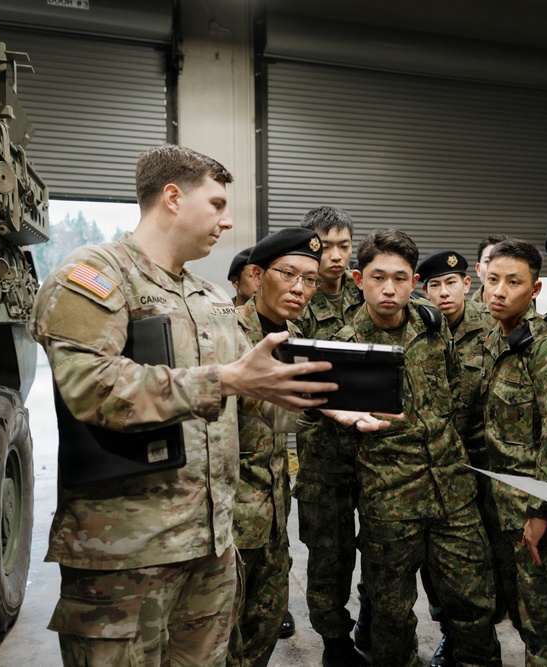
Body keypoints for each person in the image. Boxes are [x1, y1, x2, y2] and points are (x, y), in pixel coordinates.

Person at [29, 144, 337, 666]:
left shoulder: (210, 299)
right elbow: (90, 386)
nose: (227, 220)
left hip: (212, 549)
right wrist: (224, 378)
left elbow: (255, 401)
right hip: (126, 553)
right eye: (216, 204)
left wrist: (328, 407)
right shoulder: (96, 276)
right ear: (173, 197)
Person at [335, 229, 501, 667]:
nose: (389, 289)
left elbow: (449, 394)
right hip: (391, 503)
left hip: (453, 493)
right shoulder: (347, 346)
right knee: (391, 615)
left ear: (414, 282)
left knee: (474, 603)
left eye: (400, 278)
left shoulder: (432, 325)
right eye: (378, 277)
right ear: (359, 279)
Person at [480, 239, 547, 666]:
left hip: (540, 519)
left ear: (536, 290)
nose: (499, 292)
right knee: (526, 622)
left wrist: (541, 513)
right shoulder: (496, 341)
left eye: (513, 282)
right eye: (492, 281)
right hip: (505, 511)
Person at [226, 227, 324, 667]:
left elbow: (285, 419)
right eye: (289, 274)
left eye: (310, 279)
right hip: (227, 518)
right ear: (257, 274)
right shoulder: (224, 330)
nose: (299, 288)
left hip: (273, 511)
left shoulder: (297, 338)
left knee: (263, 628)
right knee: (220, 637)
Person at [414, 249, 502, 666]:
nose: (444, 293)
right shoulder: (417, 329)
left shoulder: (492, 328)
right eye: (434, 285)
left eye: (451, 283)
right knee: (439, 566)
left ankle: (483, 636)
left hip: (486, 466)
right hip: (438, 471)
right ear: (424, 289)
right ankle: (449, 631)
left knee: (485, 563)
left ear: (468, 284)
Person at [292, 205, 372, 666]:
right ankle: (335, 643)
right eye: (327, 246)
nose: (337, 256)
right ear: (310, 246)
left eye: (345, 246)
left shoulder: (369, 294)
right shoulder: (297, 301)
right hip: (324, 457)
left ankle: (369, 622)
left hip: (376, 453)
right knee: (329, 556)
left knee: (380, 551)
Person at [471, 234, 511, 303]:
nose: (494, 269)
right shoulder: (463, 311)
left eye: (502, 262)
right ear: (478, 269)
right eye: (487, 261)